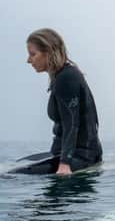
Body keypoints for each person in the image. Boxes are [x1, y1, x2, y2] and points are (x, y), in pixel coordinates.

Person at [25, 28, 102, 175]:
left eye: (33, 54)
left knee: (9, 176)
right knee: (21, 163)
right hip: (65, 152)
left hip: (81, 156)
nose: (29, 60)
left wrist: (65, 164)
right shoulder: (61, 76)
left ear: (48, 52)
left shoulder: (66, 77)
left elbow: (72, 123)